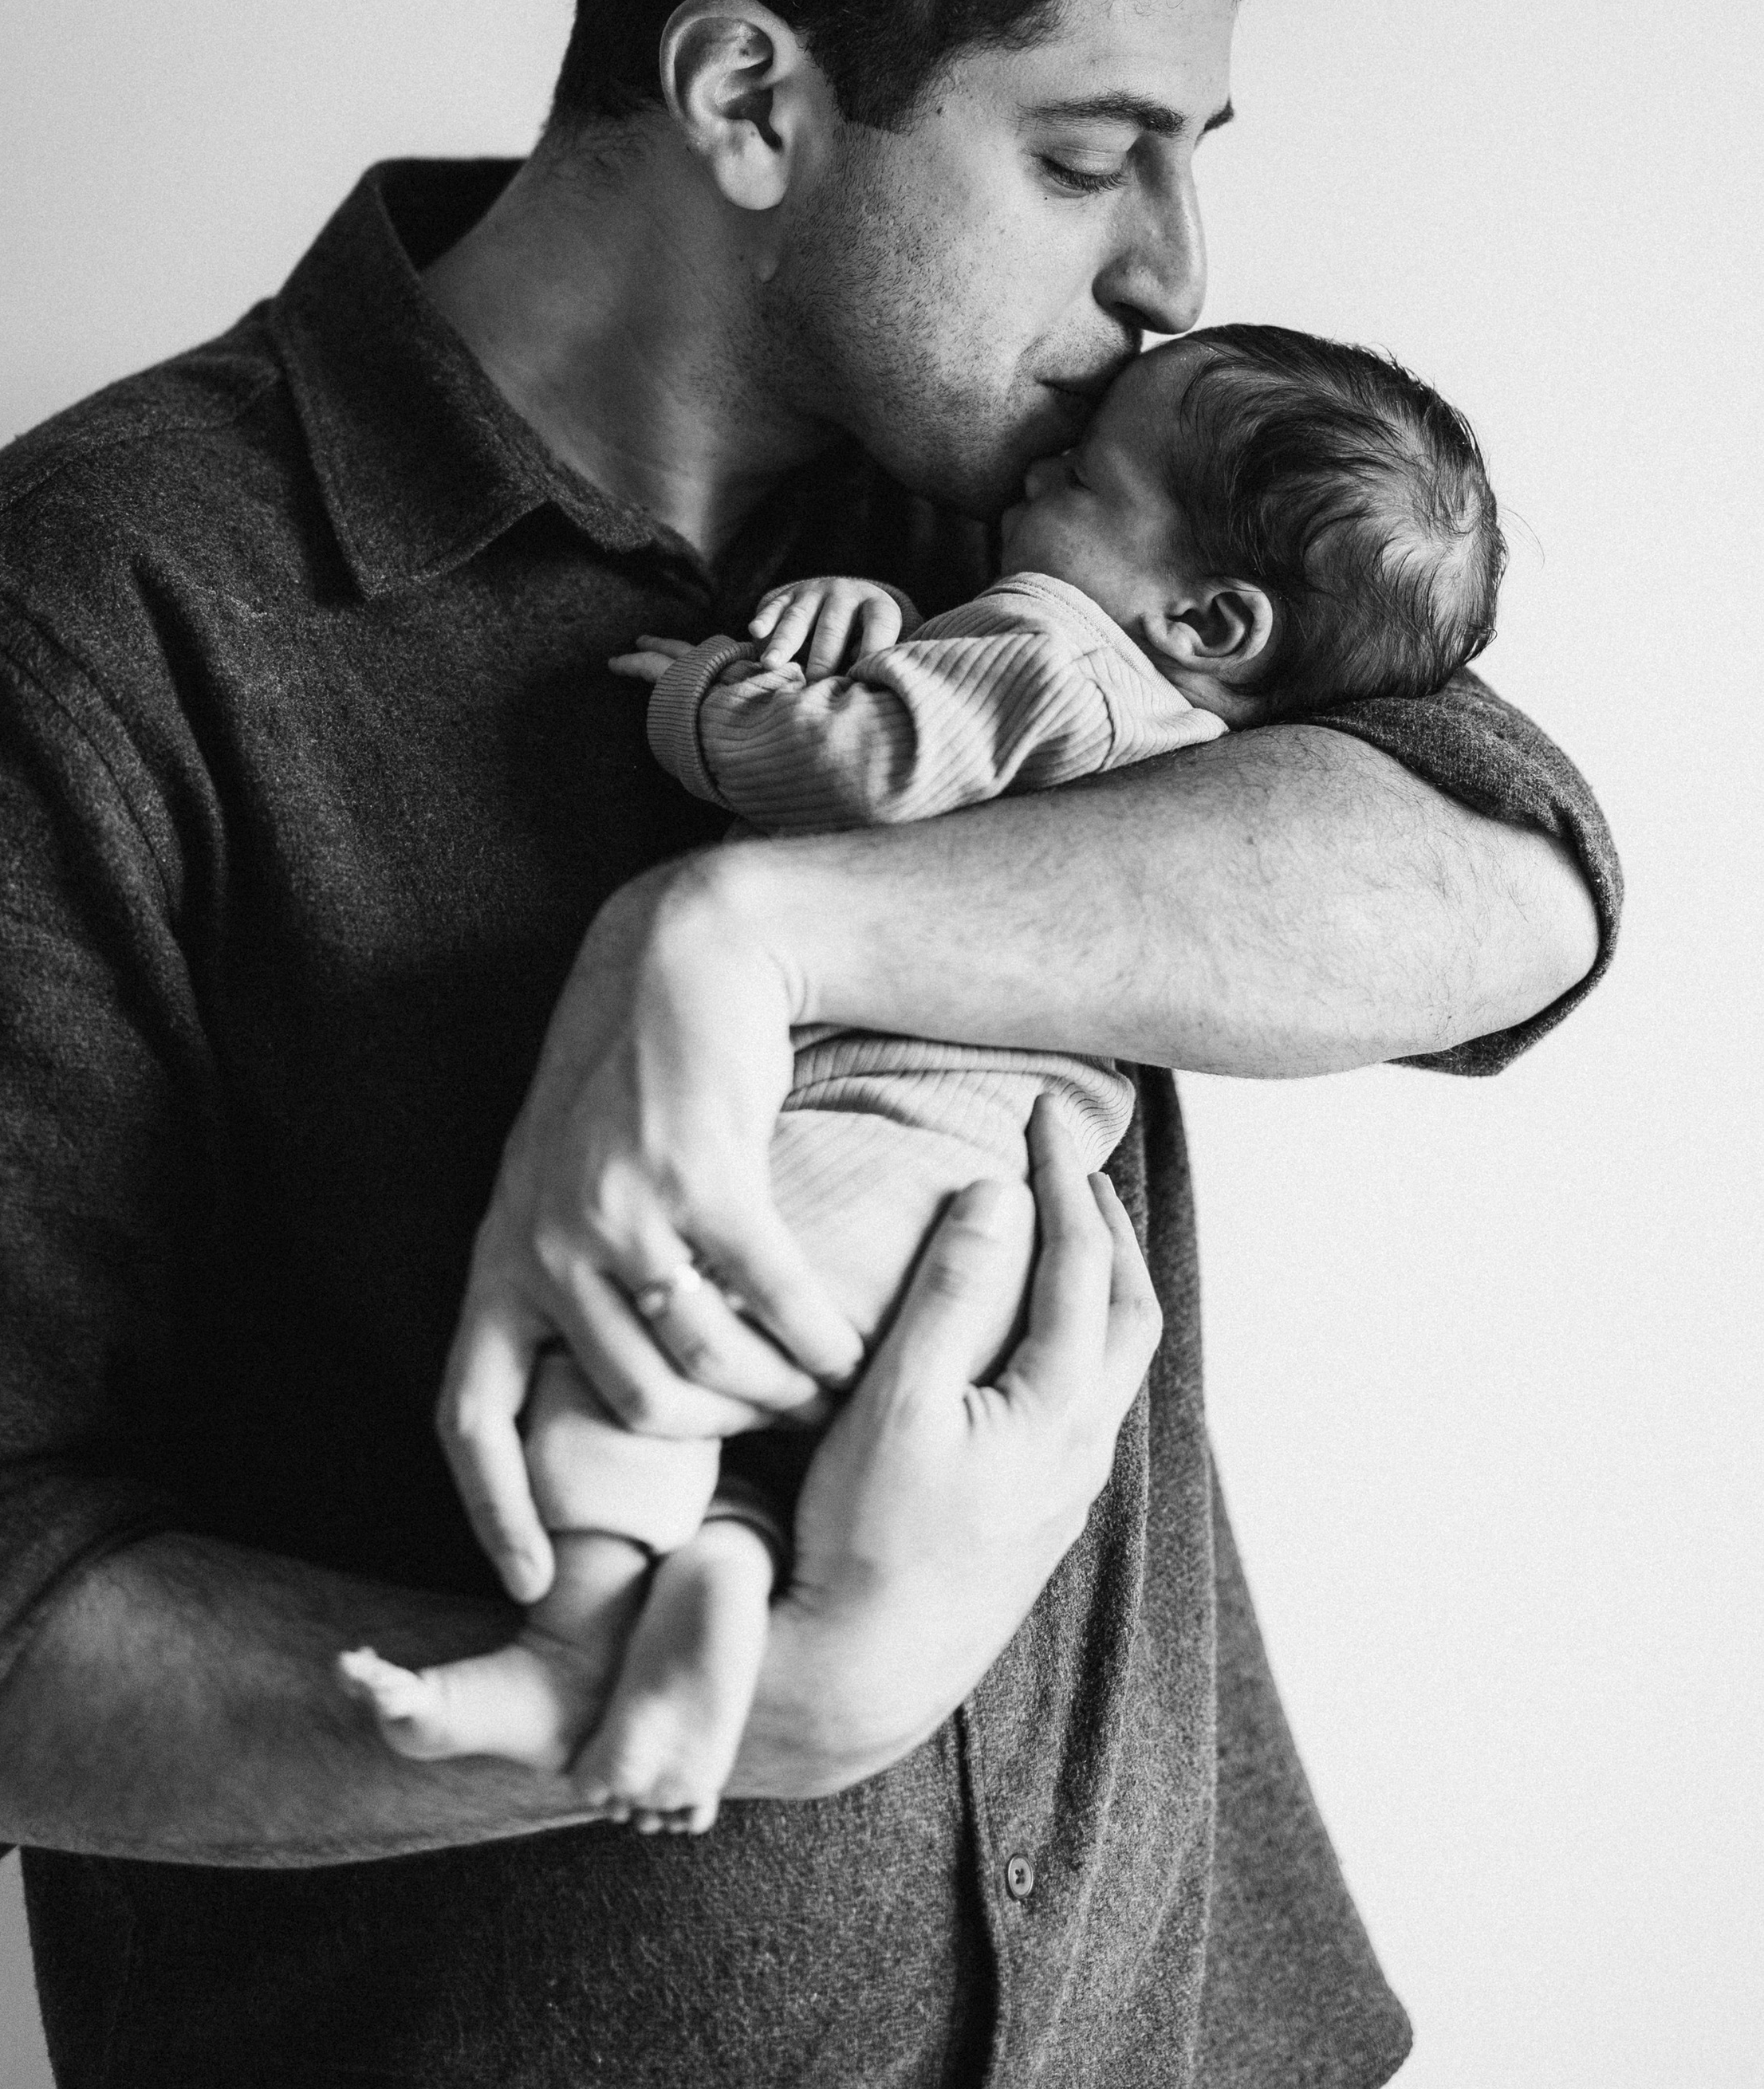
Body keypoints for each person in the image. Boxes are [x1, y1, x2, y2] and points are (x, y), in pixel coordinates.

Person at [0, 0, 1618, 2089]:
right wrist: (722, 1706)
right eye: (1087, 158)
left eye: (1191, 160)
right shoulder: (83, 617)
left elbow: (1509, 876)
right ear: (747, 96)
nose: (1176, 274)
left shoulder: (1061, 518)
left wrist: (746, 920)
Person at [349, 321, 1510, 1836]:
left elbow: (869, 762)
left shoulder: (1057, 635)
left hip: (868, 1135)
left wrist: (708, 700)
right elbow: (974, 723)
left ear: (1212, 616)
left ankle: (566, 1654)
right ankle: (719, 1582)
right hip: (984, 1210)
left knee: (623, 1327)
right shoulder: (1193, 739)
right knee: (740, 1457)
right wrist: (881, 610)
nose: (1036, 465)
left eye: (1083, 473)